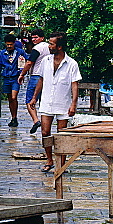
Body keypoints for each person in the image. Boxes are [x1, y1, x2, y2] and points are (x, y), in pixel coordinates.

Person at [35, 34, 81, 173]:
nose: (49, 46)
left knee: (62, 134)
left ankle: (61, 163)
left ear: (59, 47)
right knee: (45, 132)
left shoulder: (71, 63)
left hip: (63, 103)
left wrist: (73, 104)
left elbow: (74, 85)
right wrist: (34, 97)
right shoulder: (46, 61)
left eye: (51, 44)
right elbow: (41, 80)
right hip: (47, 102)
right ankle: (49, 160)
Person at [17, 30, 51, 133]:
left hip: (36, 75)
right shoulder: (50, 47)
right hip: (48, 76)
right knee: (44, 101)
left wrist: (22, 74)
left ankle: (36, 120)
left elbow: (29, 62)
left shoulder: (37, 48)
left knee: (30, 99)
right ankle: (45, 123)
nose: (34, 39)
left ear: (42, 38)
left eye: (36, 37)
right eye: (32, 38)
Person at [0, 34, 28, 127]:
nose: (9, 46)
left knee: (13, 97)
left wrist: (22, 73)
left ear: (14, 44)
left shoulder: (20, 52)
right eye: (7, 44)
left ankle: (15, 116)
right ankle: (13, 117)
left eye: (11, 45)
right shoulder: (2, 53)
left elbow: (27, 62)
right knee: (10, 99)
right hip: (6, 78)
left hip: (16, 77)